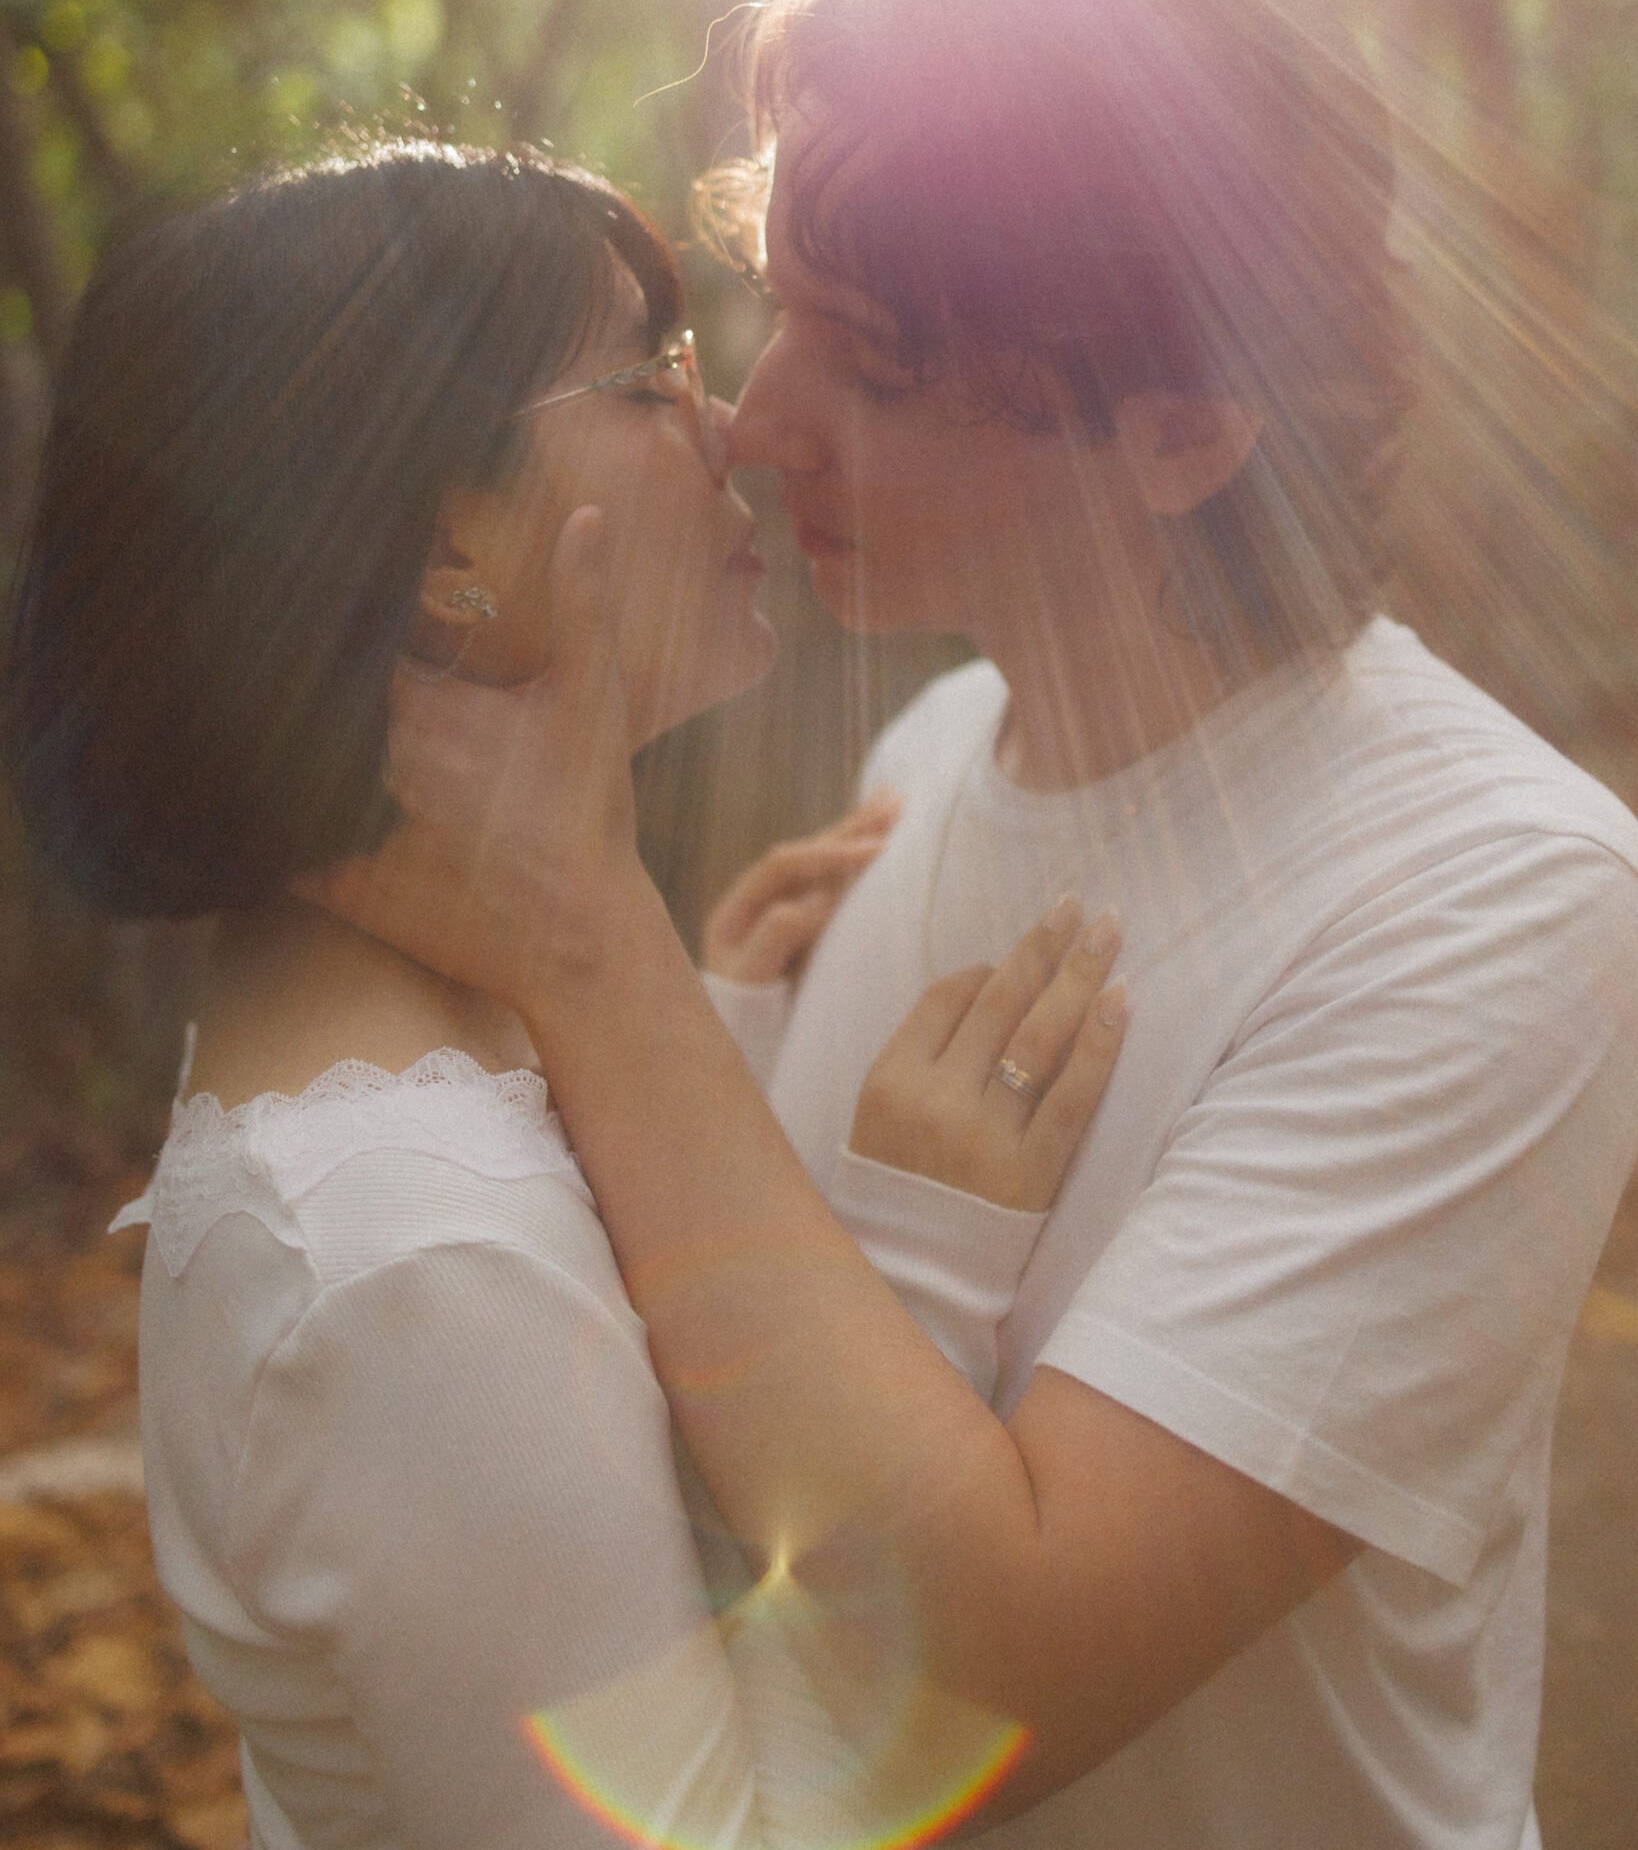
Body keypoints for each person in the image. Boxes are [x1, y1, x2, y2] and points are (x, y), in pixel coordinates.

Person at [316, 0, 1638, 1849]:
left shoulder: (1501, 892)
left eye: (872, 360)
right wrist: (739, 1044)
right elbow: (762, 1502)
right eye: (774, 313)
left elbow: (983, 1683)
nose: (753, 424)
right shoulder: (927, 764)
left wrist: (593, 950)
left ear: (1185, 428)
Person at [1, 138, 1130, 1849]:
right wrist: (922, 1265)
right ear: (448, 537)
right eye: (650, 376)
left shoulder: (449, 1078)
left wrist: (713, 1029)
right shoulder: (407, 1257)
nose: (734, 427)